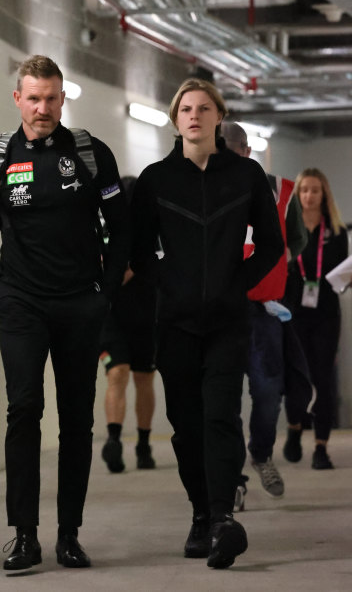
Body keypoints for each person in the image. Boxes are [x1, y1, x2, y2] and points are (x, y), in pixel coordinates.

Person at [0, 55, 129, 570]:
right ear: (17, 99)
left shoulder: (89, 154)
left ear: (63, 98)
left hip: (81, 303)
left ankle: (69, 535)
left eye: (51, 98)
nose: (42, 108)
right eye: (33, 98)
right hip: (22, 305)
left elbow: (122, 225)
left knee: (77, 422)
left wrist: (104, 290)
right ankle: (25, 535)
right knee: (24, 411)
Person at [130, 79, 283, 569]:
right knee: (185, 426)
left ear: (219, 115)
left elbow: (273, 245)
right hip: (174, 323)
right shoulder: (156, 179)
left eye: (203, 108)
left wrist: (237, 283)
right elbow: (137, 250)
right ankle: (200, 512)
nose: (194, 116)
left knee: (220, 416)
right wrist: (168, 283)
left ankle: (222, 520)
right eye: (185, 109)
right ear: (176, 120)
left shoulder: (246, 175)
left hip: (226, 321)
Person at [221, 122, 308, 509]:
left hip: (263, 311)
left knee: (269, 392)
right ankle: (233, 477)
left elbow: (297, 239)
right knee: (224, 399)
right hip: (219, 310)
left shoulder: (281, 191)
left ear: (245, 152)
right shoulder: (206, 187)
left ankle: (261, 452)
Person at [283, 168, 349, 470]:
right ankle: (295, 426)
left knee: (323, 380)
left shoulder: (336, 231)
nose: (309, 196)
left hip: (325, 314)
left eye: (315, 190)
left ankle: (321, 447)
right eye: (304, 190)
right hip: (294, 313)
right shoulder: (286, 228)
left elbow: (341, 274)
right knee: (297, 379)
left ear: (324, 195)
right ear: (297, 194)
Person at [99, 176, 157, 473]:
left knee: (143, 378)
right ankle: (113, 440)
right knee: (117, 374)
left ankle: (144, 444)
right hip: (111, 316)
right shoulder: (103, 227)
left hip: (146, 314)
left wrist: (135, 267)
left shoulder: (151, 231)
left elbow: (163, 262)